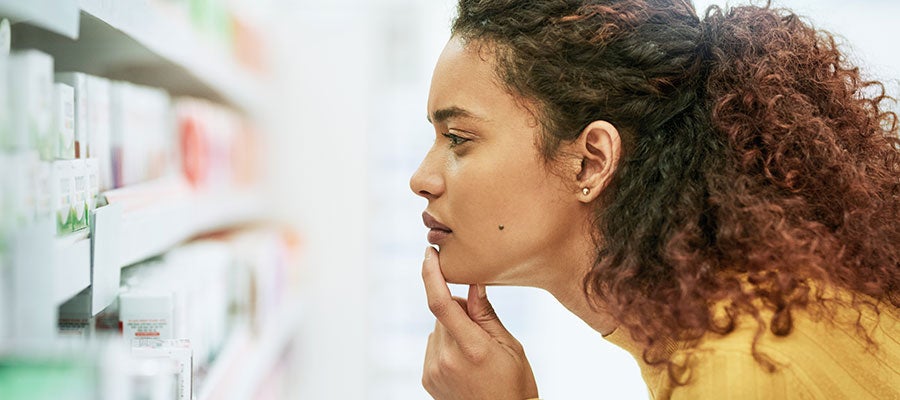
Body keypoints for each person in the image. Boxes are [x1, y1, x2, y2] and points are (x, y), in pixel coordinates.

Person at [409, 0, 900, 398]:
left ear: (591, 162)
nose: (421, 179)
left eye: (457, 137)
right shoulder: (729, 323)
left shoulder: (742, 370)